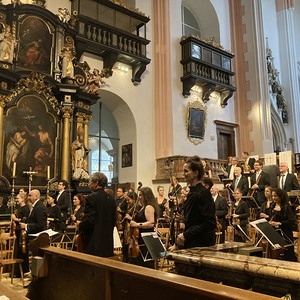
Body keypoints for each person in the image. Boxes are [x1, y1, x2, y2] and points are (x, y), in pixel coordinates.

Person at [172, 155, 216, 250]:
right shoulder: (192, 192)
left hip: (200, 245)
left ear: (196, 172)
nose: (183, 174)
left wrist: (186, 235)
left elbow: (210, 223)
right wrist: (183, 218)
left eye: (186, 171)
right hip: (191, 243)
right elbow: (196, 219)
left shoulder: (203, 193)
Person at [79, 172, 116, 257]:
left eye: (90, 181)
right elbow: (113, 221)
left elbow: (90, 220)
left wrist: (80, 225)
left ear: (96, 182)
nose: (88, 184)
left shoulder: (91, 198)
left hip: (94, 242)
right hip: (107, 242)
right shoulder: (111, 199)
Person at [127, 186, 159, 268]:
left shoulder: (148, 207)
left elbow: (151, 223)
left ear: (146, 196)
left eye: (141, 195)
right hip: (142, 238)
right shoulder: (143, 207)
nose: (139, 197)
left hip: (145, 239)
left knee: (145, 264)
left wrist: (136, 224)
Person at [269, 188, 297, 261]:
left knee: (288, 253)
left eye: (275, 196)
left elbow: (292, 221)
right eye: (272, 196)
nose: (273, 198)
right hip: (276, 232)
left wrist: (279, 223)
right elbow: (272, 217)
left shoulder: (286, 207)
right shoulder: (272, 205)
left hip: (286, 232)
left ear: (280, 196)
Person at [11, 193, 30, 276]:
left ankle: (22, 271)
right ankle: (17, 272)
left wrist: (15, 218)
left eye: (18, 198)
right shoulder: (20, 208)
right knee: (18, 251)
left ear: (23, 199)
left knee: (22, 252)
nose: (16, 200)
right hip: (18, 232)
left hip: (22, 234)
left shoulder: (25, 208)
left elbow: (24, 220)